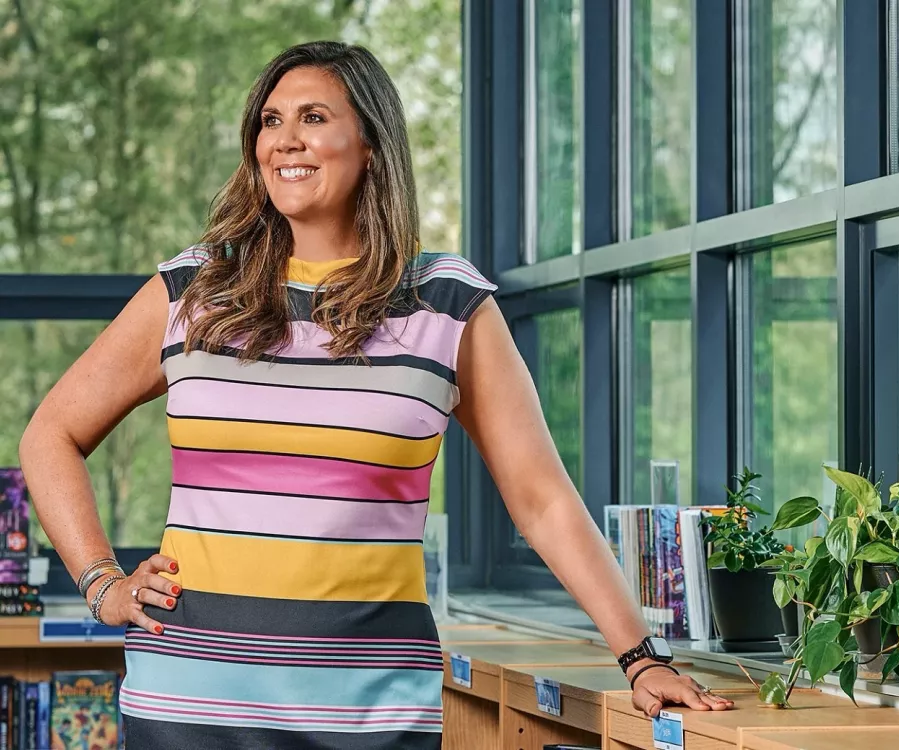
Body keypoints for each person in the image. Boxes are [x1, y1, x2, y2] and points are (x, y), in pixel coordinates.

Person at [19, 40, 733, 749]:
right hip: (188, 707)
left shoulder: (447, 304)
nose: (285, 140)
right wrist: (102, 582)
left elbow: (542, 499)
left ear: (372, 146)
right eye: (270, 121)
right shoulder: (194, 290)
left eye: (313, 117)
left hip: (370, 718)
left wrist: (641, 656)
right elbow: (50, 433)